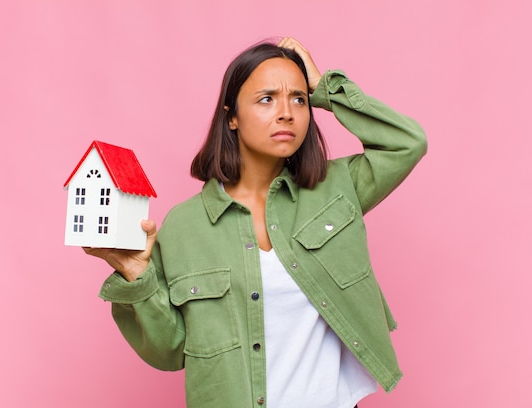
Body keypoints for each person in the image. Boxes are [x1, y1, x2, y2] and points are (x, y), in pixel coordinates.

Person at [84, 37, 427, 408]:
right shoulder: (184, 226)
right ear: (231, 116)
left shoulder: (336, 188)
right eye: (267, 99)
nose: (286, 112)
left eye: (298, 98)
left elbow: (407, 143)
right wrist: (138, 276)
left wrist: (325, 88)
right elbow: (170, 351)